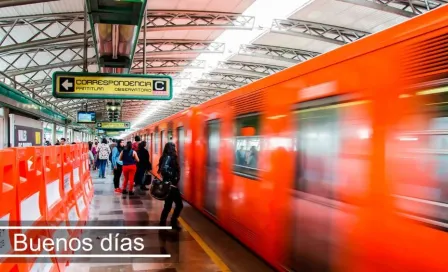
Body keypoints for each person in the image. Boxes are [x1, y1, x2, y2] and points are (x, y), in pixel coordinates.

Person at [158, 142, 182, 230]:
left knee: (168, 205)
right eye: (174, 147)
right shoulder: (169, 157)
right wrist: (173, 176)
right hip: (171, 185)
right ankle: (173, 222)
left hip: (168, 184)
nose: (175, 149)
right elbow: (164, 169)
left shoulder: (165, 156)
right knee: (179, 205)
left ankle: (162, 222)